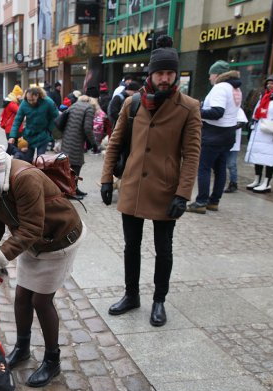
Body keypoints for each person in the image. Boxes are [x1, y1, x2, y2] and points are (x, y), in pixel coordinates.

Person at [0, 124, 84, 388]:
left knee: (41, 301)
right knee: (22, 297)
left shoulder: (21, 177)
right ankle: (22, 348)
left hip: (59, 239)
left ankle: (53, 360)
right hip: (32, 242)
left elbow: (32, 228)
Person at [100, 35, 201, 327]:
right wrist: (107, 179)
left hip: (165, 190)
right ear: (151, 75)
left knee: (163, 249)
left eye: (170, 73)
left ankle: (159, 300)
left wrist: (183, 194)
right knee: (131, 246)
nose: (166, 78)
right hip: (132, 186)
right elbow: (115, 142)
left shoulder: (189, 107)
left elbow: (192, 154)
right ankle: (131, 295)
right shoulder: (132, 104)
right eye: (160, 73)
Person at [186, 60, 242, 214]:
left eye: (211, 74)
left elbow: (217, 112)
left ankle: (201, 202)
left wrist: (196, 111)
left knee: (203, 168)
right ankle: (214, 201)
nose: (209, 78)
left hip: (214, 134)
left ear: (217, 74)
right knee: (220, 168)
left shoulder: (220, 87)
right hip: (228, 134)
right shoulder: (235, 88)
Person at [243, 74, 273, 193]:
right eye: (268, 83)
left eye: (272, 83)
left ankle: (267, 182)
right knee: (258, 155)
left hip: (272, 131)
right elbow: (256, 111)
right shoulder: (264, 96)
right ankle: (257, 179)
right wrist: (251, 124)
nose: (269, 85)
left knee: (270, 157)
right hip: (259, 130)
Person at [60, 91, 96, 199]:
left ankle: (73, 188)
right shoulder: (89, 108)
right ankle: (70, 191)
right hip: (76, 140)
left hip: (67, 138)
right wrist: (94, 143)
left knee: (69, 164)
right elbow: (87, 128)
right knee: (76, 165)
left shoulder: (73, 105)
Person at [8, 87, 59, 158]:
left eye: (33, 100)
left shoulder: (48, 102)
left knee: (40, 160)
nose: (31, 102)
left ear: (38, 96)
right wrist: (12, 136)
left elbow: (56, 116)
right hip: (29, 135)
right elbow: (17, 120)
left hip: (43, 134)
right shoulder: (24, 103)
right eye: (29, 100)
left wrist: (49, 129)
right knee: (27, 159)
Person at [224, 107, 248, 193]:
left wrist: (228, 127)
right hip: (220, 141)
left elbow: (242, 122)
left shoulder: (238, 109)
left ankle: (233, 183)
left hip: (233, 142)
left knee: (231, 164)